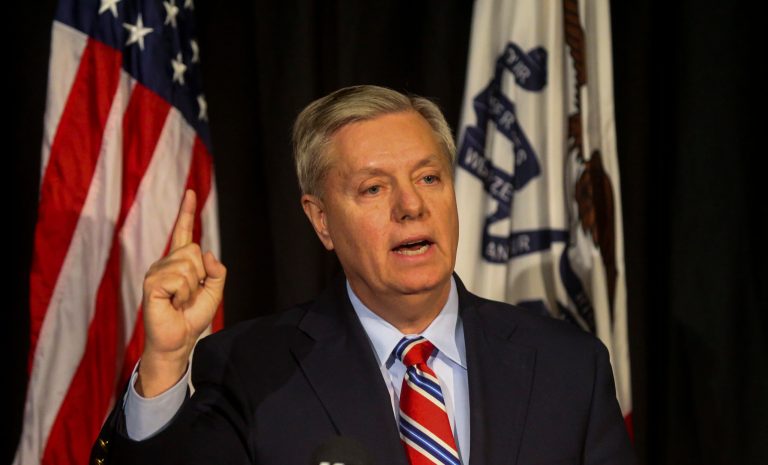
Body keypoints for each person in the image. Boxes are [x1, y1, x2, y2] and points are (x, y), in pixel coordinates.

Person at [91, 85, 635, 465]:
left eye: (428, 178)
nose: (411, 206)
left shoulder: (569, 367)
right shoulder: (250, 370)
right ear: (321, 220)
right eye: (374, 188)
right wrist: (164, 363)